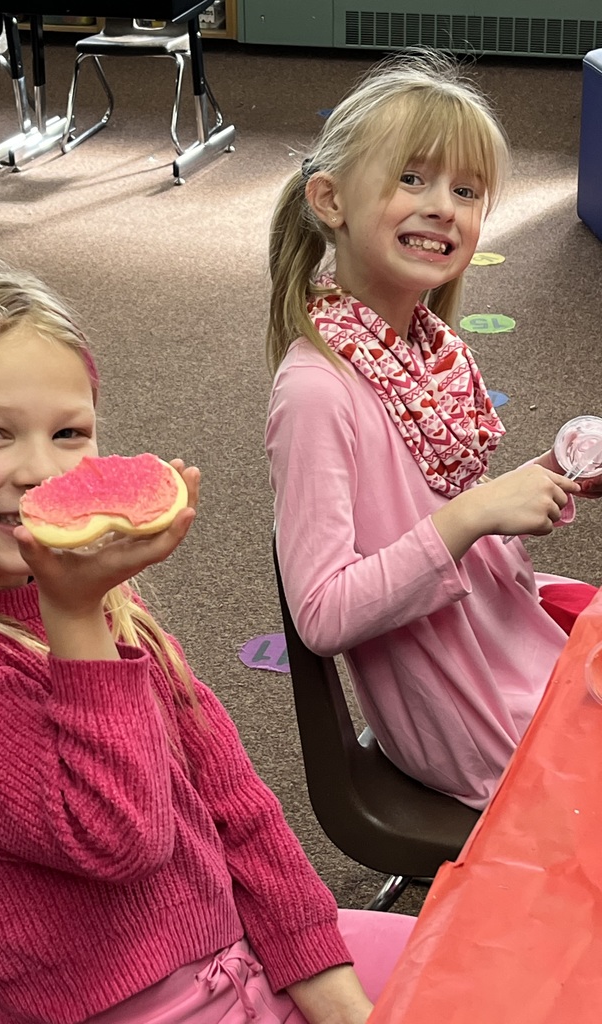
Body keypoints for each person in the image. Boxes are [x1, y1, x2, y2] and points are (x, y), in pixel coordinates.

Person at [0, 252, 414, 1024]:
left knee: (495, 962)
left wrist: (326, 982)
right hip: (129, 1008)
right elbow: (116, 838)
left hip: (241, 956)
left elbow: (230, 795)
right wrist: (79, 615)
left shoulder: (77, 590)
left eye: (70, 431)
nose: (40, 469)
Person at [265, 51, 597, 813]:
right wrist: (474, 513)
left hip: (503, 643)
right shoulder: (318, 391)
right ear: (331, 199)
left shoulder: (428, 350)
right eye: (412, 179)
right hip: (467, 712)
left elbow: (443, 517)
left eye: (466, 189)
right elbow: (321, 616)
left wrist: (550, 472)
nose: (443, 206)